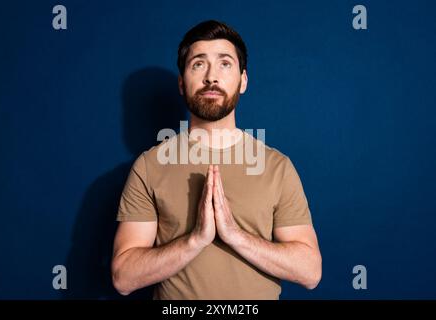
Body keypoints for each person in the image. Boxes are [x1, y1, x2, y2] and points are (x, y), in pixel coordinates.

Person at [111, 20, 322, 300]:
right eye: (198, 64)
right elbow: (123, 278)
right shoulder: (149, 166)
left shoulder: (277, 167)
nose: (212, 77)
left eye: (225, 64)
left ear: (243, 81)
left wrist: (235, 235)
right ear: (181, 83)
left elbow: (310, 272)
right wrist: (195, 239)